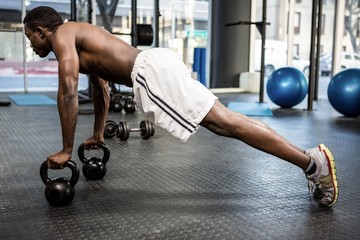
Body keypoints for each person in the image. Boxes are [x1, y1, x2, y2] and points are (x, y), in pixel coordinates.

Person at [23, 6, 338, 206]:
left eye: (30, 38)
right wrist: (97, 135)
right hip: (155, 63)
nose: (31, 45)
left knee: (223, 123)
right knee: (225, 119)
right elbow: (101, 88)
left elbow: (67, 92)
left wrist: (66, 149)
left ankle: (311, 164)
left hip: (149, 73)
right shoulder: (81, 34)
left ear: (41, 31)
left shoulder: (63, 33)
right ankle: (309, 160)